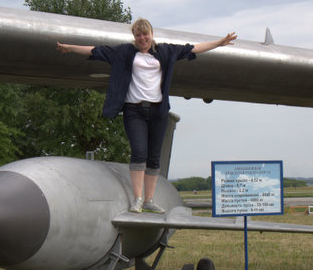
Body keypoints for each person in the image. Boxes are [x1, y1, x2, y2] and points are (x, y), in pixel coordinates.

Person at [57, 18, 237, 213]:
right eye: (138, 35)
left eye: (145, 34)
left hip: (158, 111)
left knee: (153, 157)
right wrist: (70, 48)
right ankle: (138, 199)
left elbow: (192, 49)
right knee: (139, 153)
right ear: (134, 37)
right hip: (134, 111)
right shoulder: (125, 52)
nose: (142, 38)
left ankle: (150, 199)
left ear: (151, 34)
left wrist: (219, 43)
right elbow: (96, 50)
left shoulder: (165, 51)